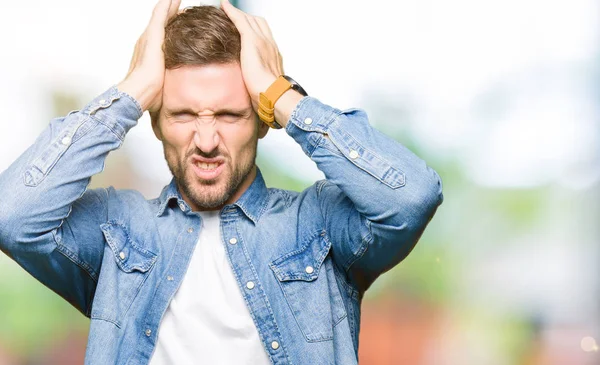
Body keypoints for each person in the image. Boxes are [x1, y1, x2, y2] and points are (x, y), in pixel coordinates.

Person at [0, 0, 443, 364]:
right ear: (154, 121)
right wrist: (132, 91)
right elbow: (12, 215)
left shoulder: (318, 225)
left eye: (230, 115)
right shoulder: (117, 232)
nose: (207, 141)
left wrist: (280, 92)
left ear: (263, 122)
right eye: (183, 114)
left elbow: (412, 196)